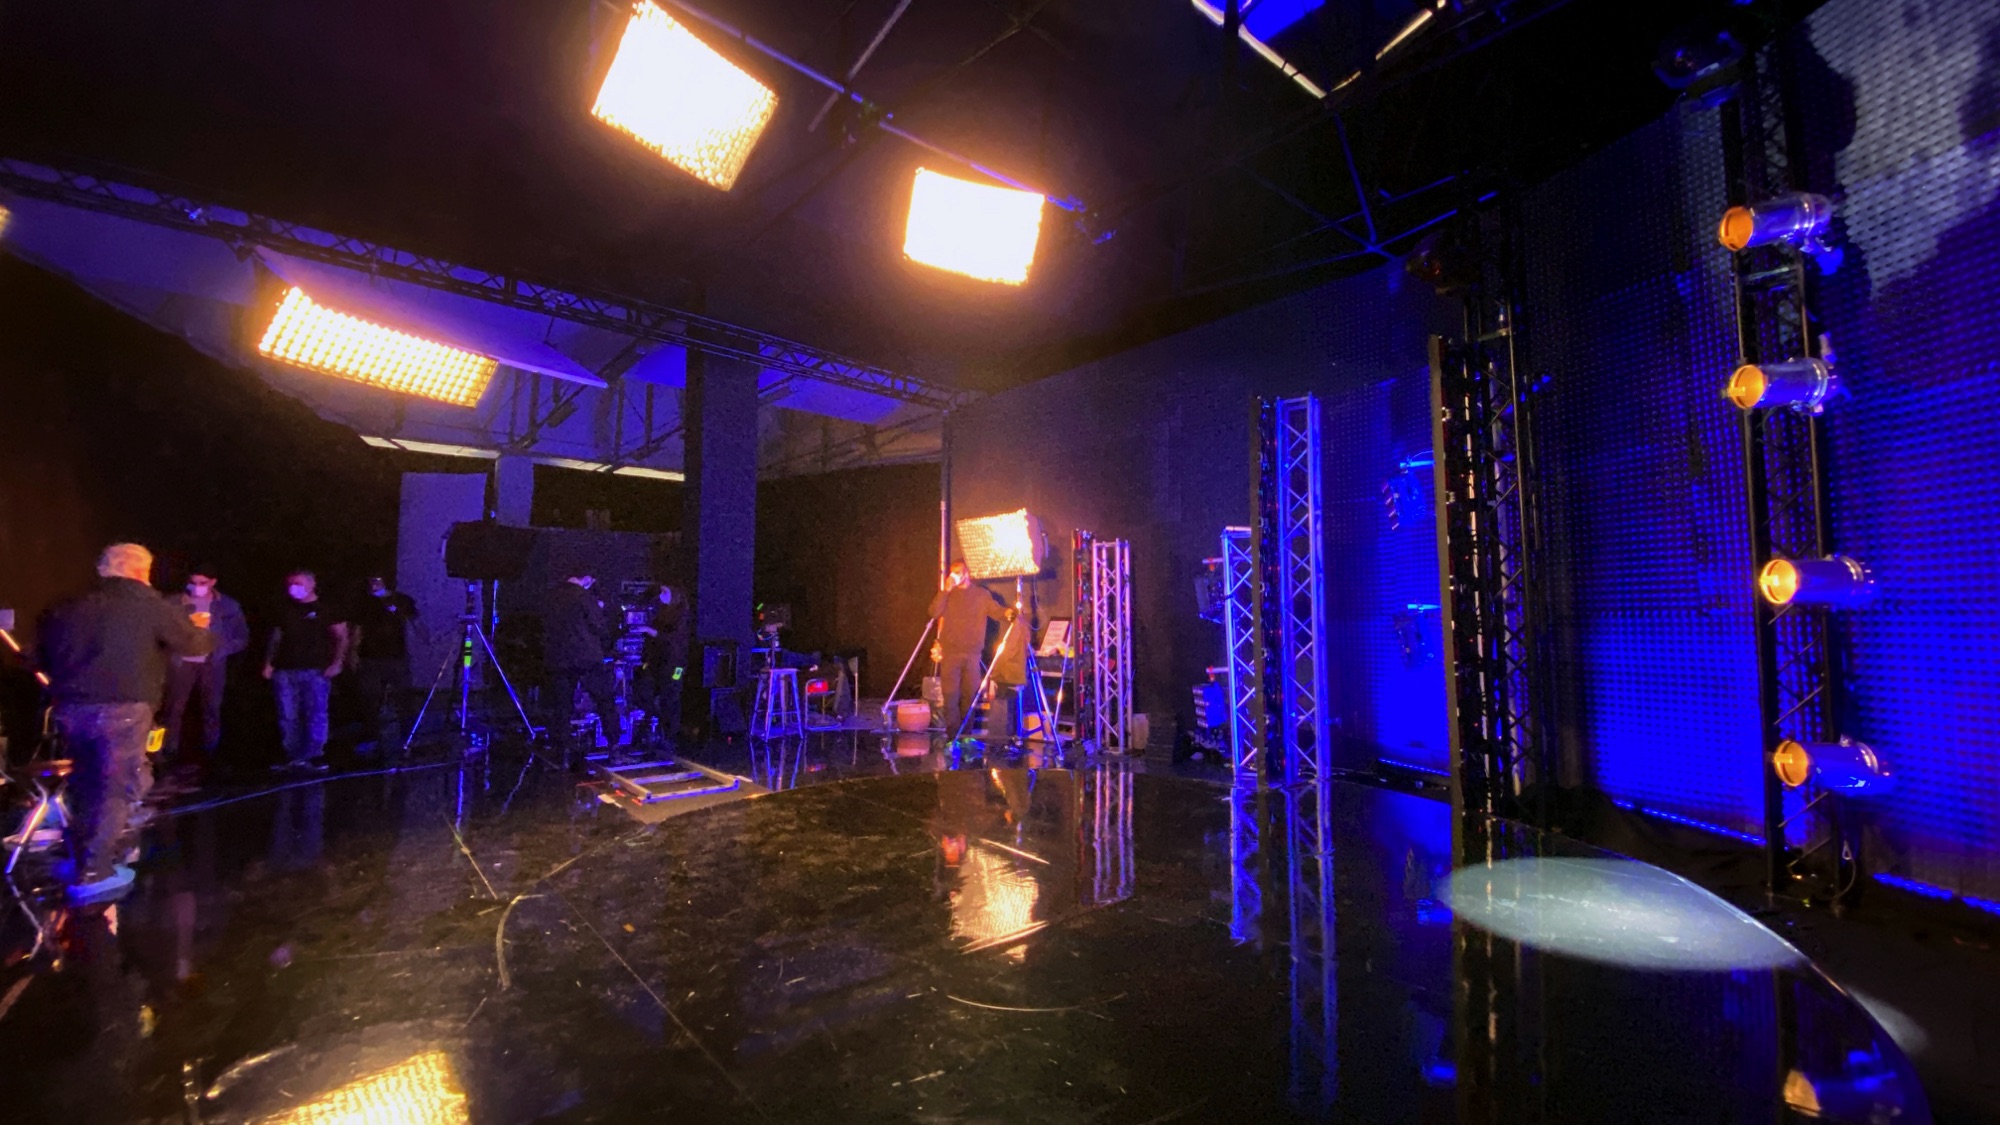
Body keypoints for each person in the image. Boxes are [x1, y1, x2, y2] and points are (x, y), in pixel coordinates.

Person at [35, 543, 213, 902]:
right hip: (123, 708)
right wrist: (200, 628)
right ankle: (94, 871)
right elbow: (194, 646)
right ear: (139, 571)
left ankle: (88, 855)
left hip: (70, 708)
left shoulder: (67, 606)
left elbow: (39, 656)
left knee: (87, 783)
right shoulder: (148, 604)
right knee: (116, 787)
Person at [159, 564, 249, 776]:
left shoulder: (227, 605)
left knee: (212, 708)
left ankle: (211, 751)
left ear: (213, 582)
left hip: (212, 663)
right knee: (174, 708)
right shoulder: (173, 603)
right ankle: (168, 752)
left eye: (202, 583)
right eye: (193, 582)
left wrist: (221, 649)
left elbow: (241, 637)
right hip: (181, 662)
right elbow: (159, 633)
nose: (196, 587)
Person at [261, 570, 348, 773]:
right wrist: (268, 662)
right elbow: (276, 637)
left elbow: (342, 637)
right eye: (291, 584)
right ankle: (292, 754)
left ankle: (315, 754)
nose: (294, 588)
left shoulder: (326, 609)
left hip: (316, 669)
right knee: (287, 713)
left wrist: (337, 662)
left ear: (311, 584)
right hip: (285, 669)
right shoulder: (285, 609)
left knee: (316, 712)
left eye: (298, 583)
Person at [928, 560, 1013, 739]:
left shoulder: (981, 595)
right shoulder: (948, 594)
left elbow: (996, 611)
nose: (954, 576)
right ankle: (953, 736)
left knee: (970, 696)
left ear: (966, 573)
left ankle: (965, 736)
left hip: (973, 654)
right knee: (950, 696)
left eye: (958, 572)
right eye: (952, 572)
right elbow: (934, 612)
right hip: (950, 653)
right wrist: (945, 590)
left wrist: (1007, 613)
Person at [542, 572, 619, 769]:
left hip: (559, 658)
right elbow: (599, 626)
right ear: (585, 579)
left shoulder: (551, 597)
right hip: (586, 657)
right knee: (605, 700)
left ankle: (562, 752)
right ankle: (614, 747)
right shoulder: (584, 597)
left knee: (562, 706)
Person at [350, 575, 419, 751]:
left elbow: (415, 621)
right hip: (369, 658)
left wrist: (428, 642)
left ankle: (408, 737)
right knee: (369, 699)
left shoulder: (401, 600)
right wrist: (353, 653)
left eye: (377, 580)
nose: (374, 584)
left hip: (396, 657)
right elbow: (357, 630)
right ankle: (371, 736)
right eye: (371, 580)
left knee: (404, 697)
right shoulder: (363, 603)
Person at [633, 583, 689, 745]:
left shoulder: (681, 614)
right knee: (646, 692)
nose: (660, 597)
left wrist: (649, 631)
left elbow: (673, 639)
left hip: (675, 663)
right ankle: (655, 728)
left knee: (671, 697)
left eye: (664, 593)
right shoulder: (660, 613)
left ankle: (670, 736)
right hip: (657, 661)